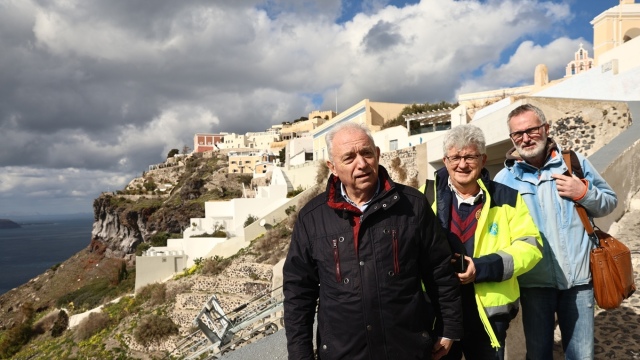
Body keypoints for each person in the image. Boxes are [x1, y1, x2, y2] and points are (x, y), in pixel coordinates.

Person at [283, 122, 463, 360]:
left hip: (407, 349)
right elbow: (298, 292)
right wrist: (299, 353)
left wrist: (448, 327)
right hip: (343, 353)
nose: (361, 164)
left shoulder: (412, 205)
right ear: (333, 167)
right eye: (349, 158)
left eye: (367, 153)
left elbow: (439, 270)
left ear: (377, 155)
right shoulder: (312, 218)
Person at [494, 104, 617, 359]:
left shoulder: (574, 163)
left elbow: (609, 202)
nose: (526, 138)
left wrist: (584, 193)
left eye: (532, 129)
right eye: (518, 134)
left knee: (581, 356)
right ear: (512, 138)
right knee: (538, 354)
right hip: (533, 285)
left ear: (546, 129)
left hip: (579, 283)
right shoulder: (504, 180)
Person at [420, 124, 542, 360]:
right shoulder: (424, 197)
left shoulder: (507, 198)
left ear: (483, 159)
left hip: (489, 318)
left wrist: (483, 268)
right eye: (455, 157)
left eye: (469, 156)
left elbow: (531, 247)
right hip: (438, 314)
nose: (462, 164)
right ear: (445, 160)